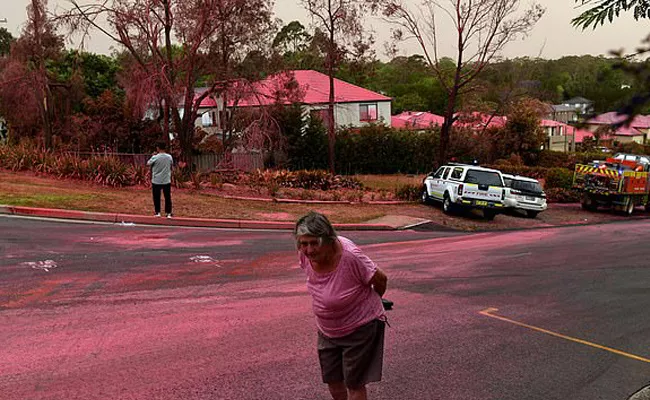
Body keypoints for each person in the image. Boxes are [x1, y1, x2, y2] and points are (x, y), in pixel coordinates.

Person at [294, 211, 388, 400]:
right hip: (328, 330)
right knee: (333, 380)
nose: (309, 250)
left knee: (354, 382)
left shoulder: (350, 257)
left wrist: (371, 301)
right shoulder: (305, 254)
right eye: (304, 243)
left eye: (315, 243)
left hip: (359, 328)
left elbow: (381, 279)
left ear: (328, 240)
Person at [147, 141, 173, 218]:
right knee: (167, 197)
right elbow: (171, 165)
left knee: (156, 197)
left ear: (158, 148)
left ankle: (157, 212)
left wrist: (152, 156)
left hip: (156, 180)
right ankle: (168, 212)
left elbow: (148, 163)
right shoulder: (169, 157)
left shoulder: (155, 157)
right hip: (166, 179)